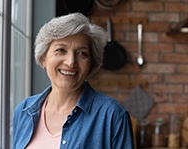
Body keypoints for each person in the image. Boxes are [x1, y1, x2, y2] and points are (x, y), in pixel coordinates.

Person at [12, 12, 134, 149]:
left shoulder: (112, 115)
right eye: (61, 50)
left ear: (90, 64)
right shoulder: (23, 111)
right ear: (43, 59)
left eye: (82, 53)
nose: (71, 62)